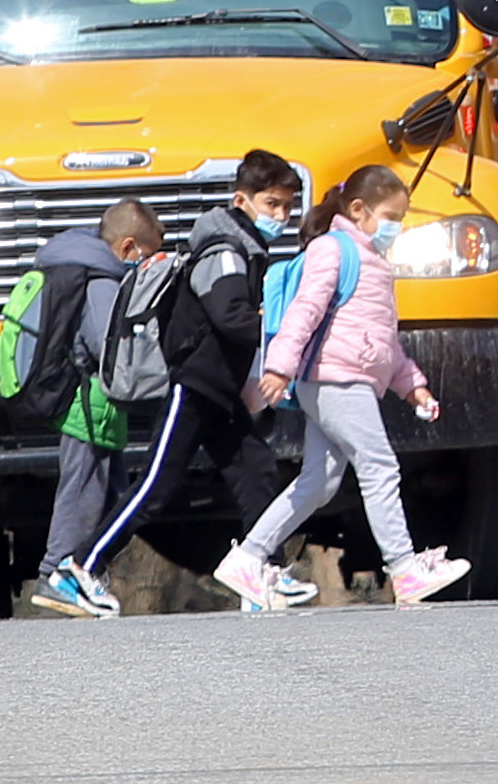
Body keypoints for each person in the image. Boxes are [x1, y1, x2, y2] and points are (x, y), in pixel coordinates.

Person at [65, 150, 307, 615]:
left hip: (219, 390)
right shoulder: (224, 250)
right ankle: (82, 567)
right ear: (242, 199)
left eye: (287, 207)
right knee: (156, 486)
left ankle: (262, 568)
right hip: (195, 385)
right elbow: (230, 316)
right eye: (272, 204)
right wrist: (282, 330)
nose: (281, 216)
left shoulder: (245, 246)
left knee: (256, 469)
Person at [217, 164, 471, 608]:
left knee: (320, 480)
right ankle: (404, 568)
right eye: (391, 216)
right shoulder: (333, 250)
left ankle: (250, 557)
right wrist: (279, 367)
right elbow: (305, 311)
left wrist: (414, 387)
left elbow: (385, 345)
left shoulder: (374, 262)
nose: (397, 226)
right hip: (336, 379)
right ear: (359, 209)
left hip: (347, 380)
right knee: (379, 467)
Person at [29, 198, 165, 617]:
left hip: (97, 408)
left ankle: (85, 573)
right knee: (83, 488)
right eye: (148, 254)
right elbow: (109, 347)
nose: (149, 264)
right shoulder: (102, 283)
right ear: (127, 249)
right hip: (88, 406)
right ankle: (57, 573)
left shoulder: (89, 272)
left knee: (111, 493)